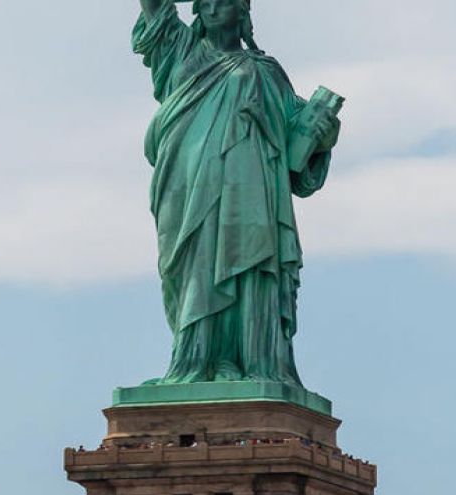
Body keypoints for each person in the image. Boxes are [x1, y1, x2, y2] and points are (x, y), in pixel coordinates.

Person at [134, 0, 340, 386]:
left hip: (252, 190)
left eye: (222, 3)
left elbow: (296, 138)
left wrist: (321, 131)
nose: (211, 10)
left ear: (242, 13)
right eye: (204, 4)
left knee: (250, 264)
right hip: (187, 183)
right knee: (190, 268)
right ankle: (194, 361)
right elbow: (156, 8)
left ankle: (252, 361)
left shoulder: (267, 73)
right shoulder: (181, 52)